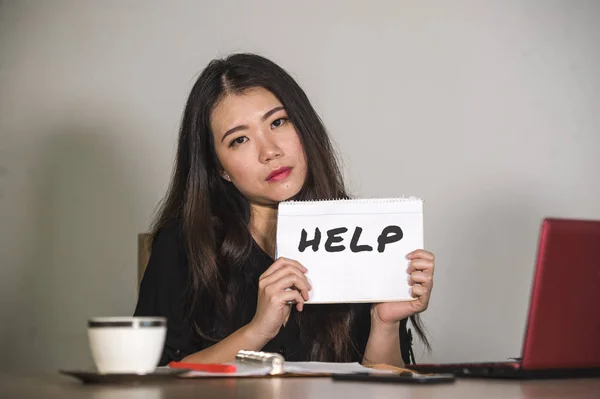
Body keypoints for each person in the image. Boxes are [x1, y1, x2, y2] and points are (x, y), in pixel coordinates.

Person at [134, 53, 435, 367]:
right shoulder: (183, 244)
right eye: (239, 140)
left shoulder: (362, 235)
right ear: (219, 167)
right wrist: (258, 330)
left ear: (303, 126)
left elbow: (385, 390)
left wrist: (385, 324)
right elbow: (153, 382)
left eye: (278, 122)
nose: (270, 151)